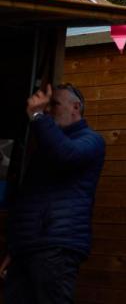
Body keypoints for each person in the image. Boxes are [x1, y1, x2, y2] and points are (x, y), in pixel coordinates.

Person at [2, 83, 105, 304]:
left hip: (56, 248)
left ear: (76, 107)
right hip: (29, 248)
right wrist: (16, 247)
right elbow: (28, 199)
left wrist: (38, 116)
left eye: (54, 104)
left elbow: (65, 155)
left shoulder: (91, 141)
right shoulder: (45, 146)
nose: (48, 110)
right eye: (46, 107)